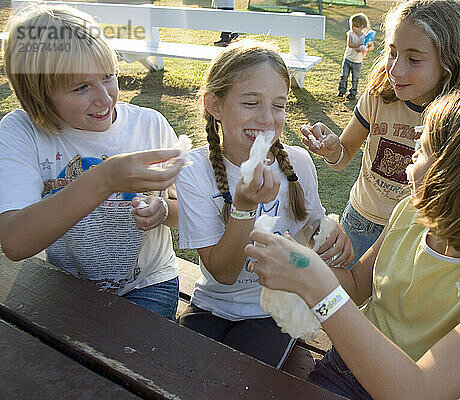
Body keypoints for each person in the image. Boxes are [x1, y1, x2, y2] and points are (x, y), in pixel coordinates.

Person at [246, 90, 460, 400]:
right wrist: (306, 260)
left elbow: (417, 391)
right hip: (345, 366)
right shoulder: (414, 211)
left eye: (422, 149)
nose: (411, 157)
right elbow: (360, 285)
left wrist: (318, 285)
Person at [174, 41, 353, 368]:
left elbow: (311, 238)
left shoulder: (297, 163)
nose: (267, 119)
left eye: (279, 105)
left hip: (272, 310)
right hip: (211, 303)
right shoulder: (193, 170)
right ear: (215, 104)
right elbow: (223, 273)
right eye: (251, 102)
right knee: (182, 374)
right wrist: (244, 207)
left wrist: (331, 235)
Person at [0, 5, 185, 320]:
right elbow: (15, 243)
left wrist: (164, 211)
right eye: (80, 87)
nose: (105, 98)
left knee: (129, 363)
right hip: (66, 284)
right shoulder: (21, 132)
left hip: (149, 284)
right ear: (40, 94)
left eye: (108, 77)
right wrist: (105, 178)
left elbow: (192, 211)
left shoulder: (149, 125)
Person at [301, 0, 460, 266]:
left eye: (414, 59)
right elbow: (344, 155)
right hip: (360, 222)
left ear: (449, 61)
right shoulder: (378, 98)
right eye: (392, 53)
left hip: (416, 234)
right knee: (345, 296)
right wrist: (332, 148)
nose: (395, 69)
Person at [337, 13, 375, 101]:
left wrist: (364, 48)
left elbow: (371, 47)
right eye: (352, 26)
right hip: (348, 59)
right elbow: (350, 44)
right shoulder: (351, 34)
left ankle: (353, 93)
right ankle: (341, 91)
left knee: (355, 78)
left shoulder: (365, 36)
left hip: (357, 62)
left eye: (355, 26)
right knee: (344, 76)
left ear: (362, 26)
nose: (353, 28)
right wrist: (359, 46)